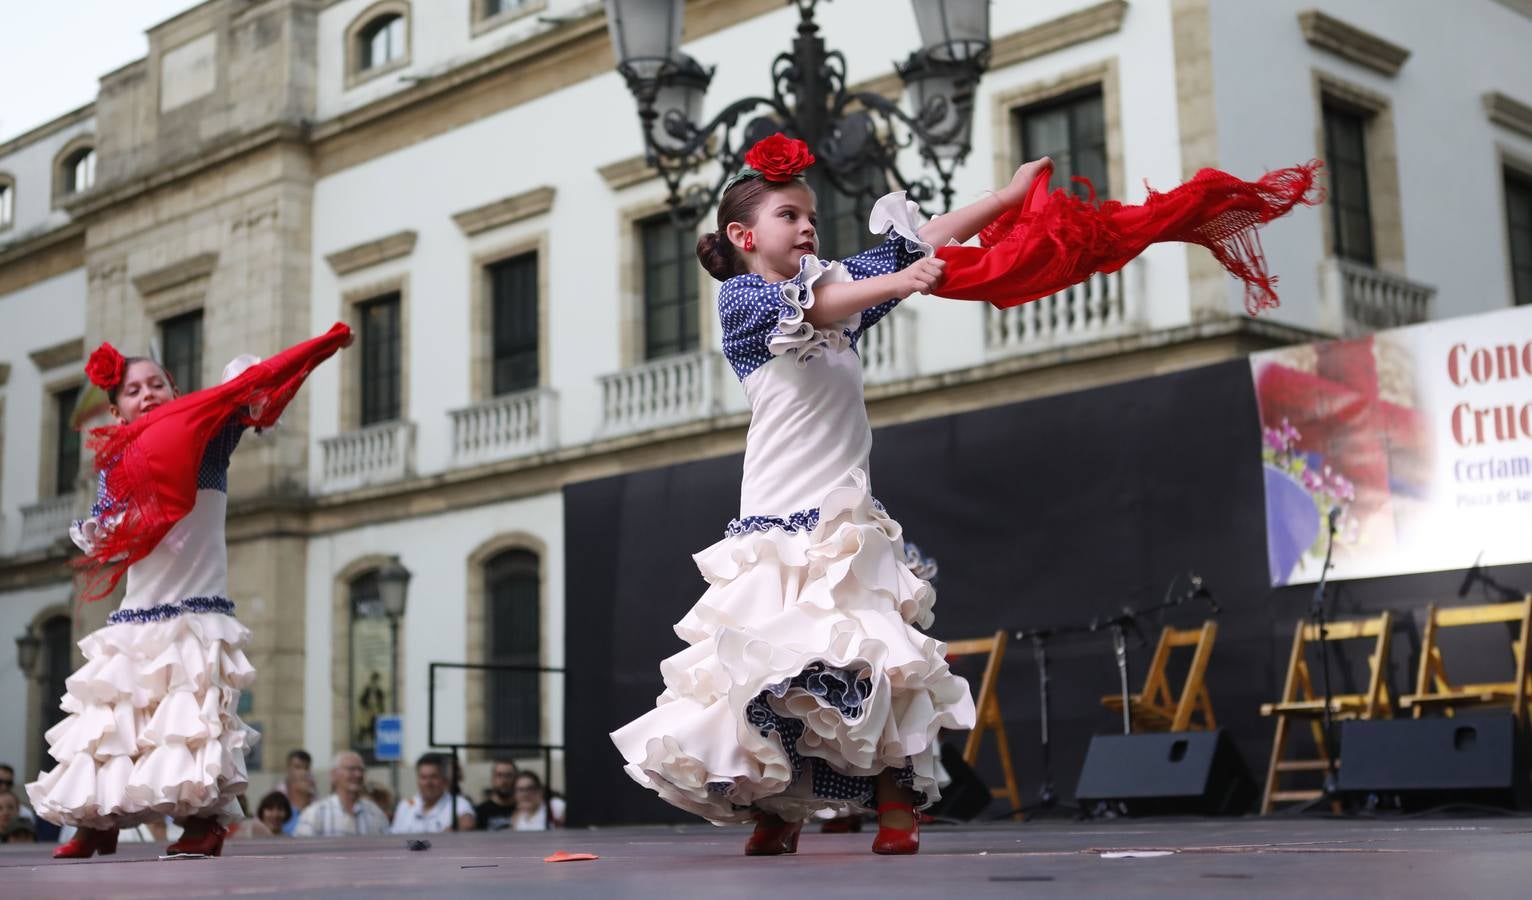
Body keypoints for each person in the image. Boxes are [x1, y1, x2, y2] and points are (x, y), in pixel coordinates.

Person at [611, 134, 1024, 856]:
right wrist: (899, 283)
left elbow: (914, 243)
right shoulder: (744, 301)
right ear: (745, 236)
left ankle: (897, 810)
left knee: (873, 660)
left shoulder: (834, 291)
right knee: (769, 668)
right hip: (775, 521)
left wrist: (1005, 199)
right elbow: (837, 300)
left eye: (810, 216)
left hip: (843, 523)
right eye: (788, 215)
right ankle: (779, 807)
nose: (807, 226)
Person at [25, 325, 353, 859]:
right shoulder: (117, 463)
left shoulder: (209, 437)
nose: (147, 393)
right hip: (140, 613)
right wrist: (105, 528)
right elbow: (104, 528)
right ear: (117, 413)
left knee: (191, 723)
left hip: (197, 605)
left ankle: (203, 824)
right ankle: (98, 819)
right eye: (133, 390)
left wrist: (319, 348)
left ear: (177, 395)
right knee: (113, 722)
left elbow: (251, 391)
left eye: (157, 384)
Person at [293, 751, 390, 837]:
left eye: (361, 770)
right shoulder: (315, 814)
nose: (358, 774)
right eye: (351, 769)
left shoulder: (376, 814)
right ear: (334, 775)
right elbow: (300, 854)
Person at [391, 753, 475, 833]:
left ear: (444, 780)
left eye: (434, 777)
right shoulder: (405, 806)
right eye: (423, 777)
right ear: (417, 780)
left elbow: (466, 824)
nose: (428, 783)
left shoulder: (458, 804)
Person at [282, 770, 316, 835]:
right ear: (292, 785)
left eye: (311, 779)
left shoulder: (318, 812)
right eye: (305, 779)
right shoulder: (282, 816)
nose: (311, 782)